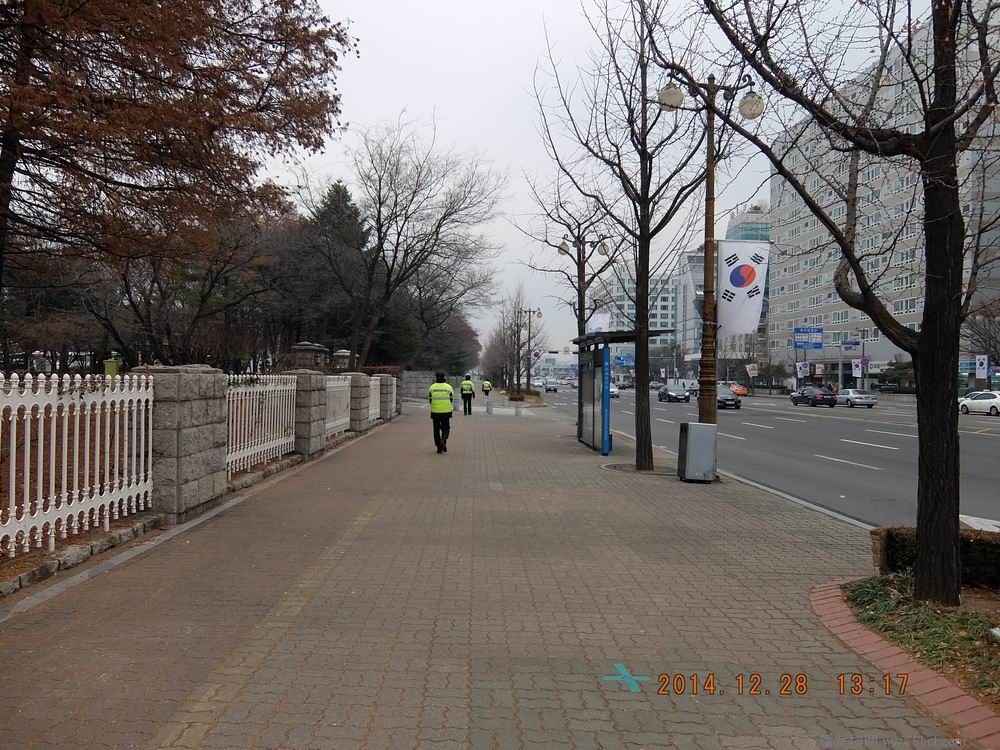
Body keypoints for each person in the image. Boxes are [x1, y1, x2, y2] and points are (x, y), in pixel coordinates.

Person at [428, 372, 454, 453]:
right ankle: (443, 440)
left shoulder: (432, 387)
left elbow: (430, 400)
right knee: (446, 428)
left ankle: (438, 446)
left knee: (436, 429)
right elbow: (451, 399)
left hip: (435, 411)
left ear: (436, 377)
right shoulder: (449, 387)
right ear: (444, 377)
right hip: (446, 411)